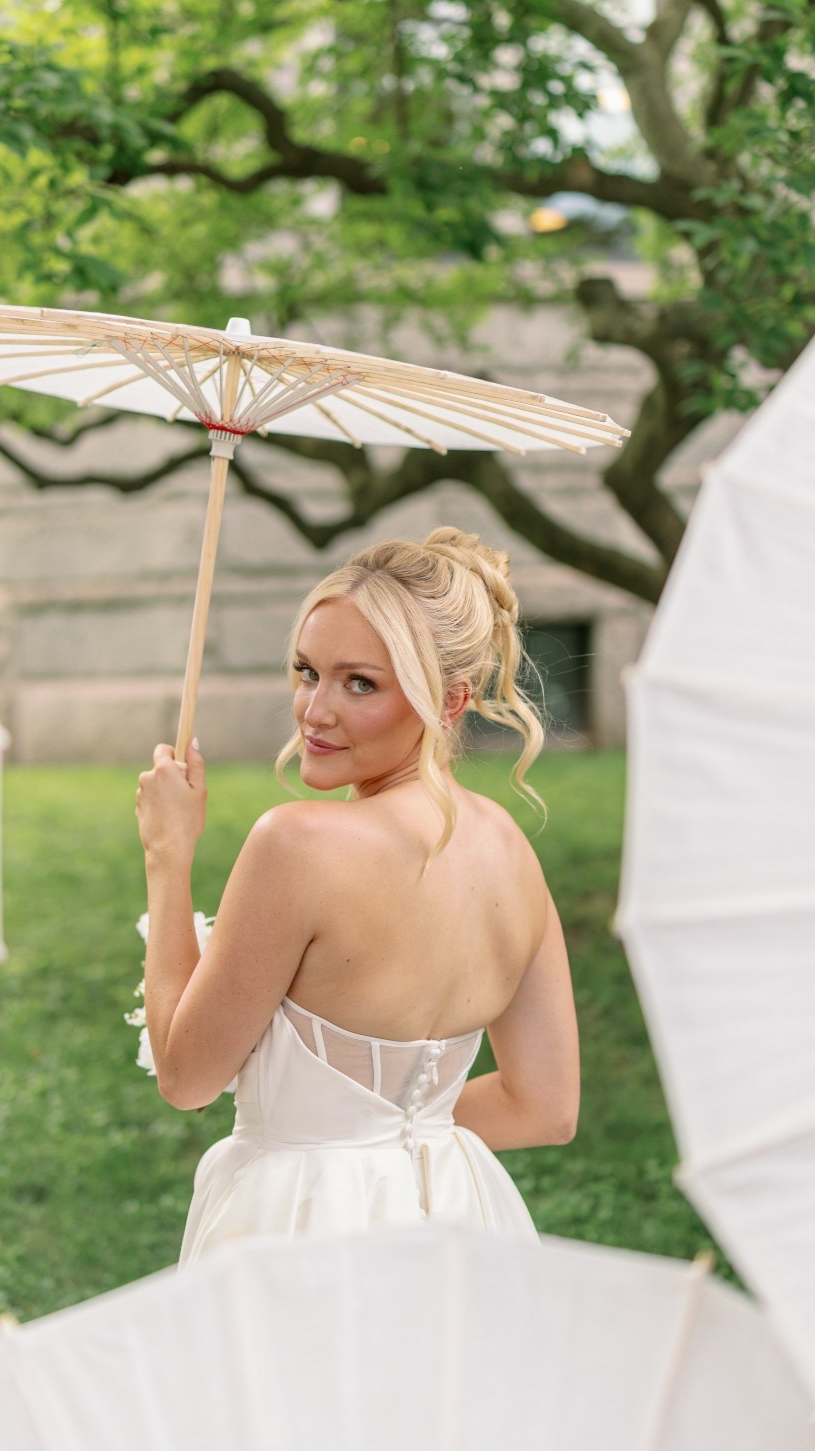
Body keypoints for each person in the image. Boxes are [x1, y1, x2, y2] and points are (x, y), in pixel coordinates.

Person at [135, 527, 579, 1264]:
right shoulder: (510, 852)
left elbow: (186, 1076)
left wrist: (166, 854)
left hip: (303, 1231)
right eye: (308, 672)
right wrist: (407, 1128)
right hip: (460, 1222)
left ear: (451, 699)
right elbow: (546, 1108)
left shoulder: (297, 846)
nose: (314, 711)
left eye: (361, 683)